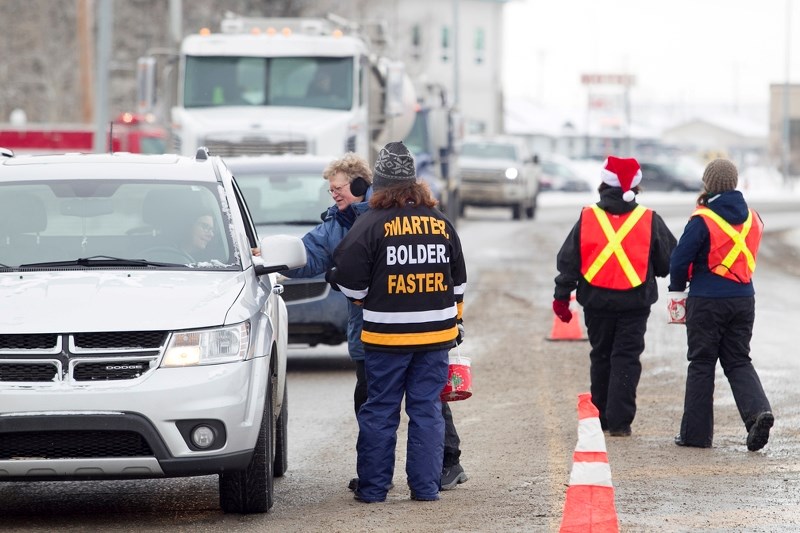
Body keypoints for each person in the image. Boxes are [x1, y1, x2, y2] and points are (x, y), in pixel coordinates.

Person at [280, 151, 469, 492]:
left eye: (338, 187)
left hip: (383, 336)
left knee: (385, 408)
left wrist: (359, 295)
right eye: (330, 189)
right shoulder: (432, 219)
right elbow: (457, 278)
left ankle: (387, 482)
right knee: (418, 404)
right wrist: (273, 260)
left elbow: (351, 282)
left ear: (364, 184)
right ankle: (422, 486)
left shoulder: (372, 222)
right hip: (417, 335)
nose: (334, 194)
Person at [553, 156, 676, 436]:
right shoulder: (649, 219)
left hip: (596, 303)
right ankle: (620, 423)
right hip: (635, 304)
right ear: (636, 186)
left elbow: (569, 261)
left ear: (603, 184)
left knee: (601, 356)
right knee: (627, 358)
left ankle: (601, 417)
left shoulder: (587, 217)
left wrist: (562, 297)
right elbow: (668, 261)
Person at [669, 158, 773, 451]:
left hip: (707, 301)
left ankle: (696, 435)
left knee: (701, 363)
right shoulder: (753, 217)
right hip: (743, 299)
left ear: (708, 184)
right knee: (739, 360)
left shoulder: (703, 219)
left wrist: (677, 292)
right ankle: (757, 413)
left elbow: (679, 261)